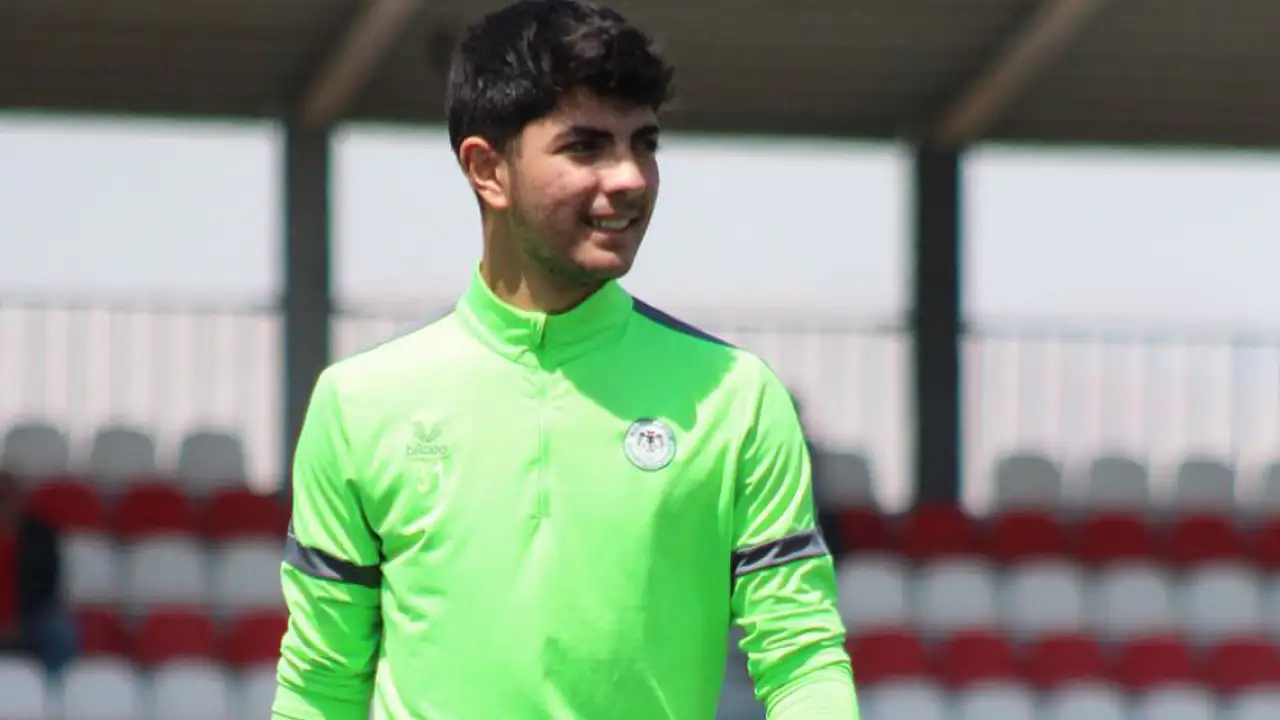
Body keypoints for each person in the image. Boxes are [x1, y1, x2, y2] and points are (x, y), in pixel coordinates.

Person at [273, 1, 858, 718]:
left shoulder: (736, 396)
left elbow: (801, 658)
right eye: (587, 147)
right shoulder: (359, 402)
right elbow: (321, 684)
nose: (630, 178)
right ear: (487, 169)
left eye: (644, 144)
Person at [0, 470, 78, 675]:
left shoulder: (41, 534)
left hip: (29, 616)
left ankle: (54, 688)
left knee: (59, 630)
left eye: (7, 497)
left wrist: (18, 621)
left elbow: (48, 585)